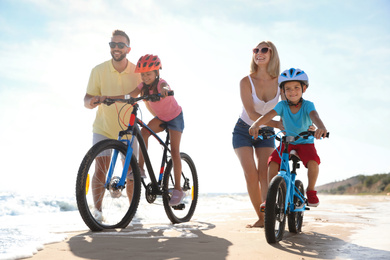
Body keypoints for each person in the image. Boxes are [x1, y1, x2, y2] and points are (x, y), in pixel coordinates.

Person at [84, 30, 142, 218]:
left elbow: (147, 90)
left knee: (132, 173)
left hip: (128, 128)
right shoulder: (98, 70)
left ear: (128, 49)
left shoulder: (137, 71)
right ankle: (98, 212)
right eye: (113, 45)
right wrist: (91, 102)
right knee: (100, 169)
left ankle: (132, 215)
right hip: (103, 127)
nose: (116, 48)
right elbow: (87, 98)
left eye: (120, 45)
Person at [249, 68, 328, 207]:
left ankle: (310, 191)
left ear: (304, 88)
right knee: (272, 161)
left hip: (305, 143)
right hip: (287, 143)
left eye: (296, 87)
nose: (292, 92)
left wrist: (321, 127)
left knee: (313, 162)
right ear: (283, 91)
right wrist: (256, 124)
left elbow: (315, 116)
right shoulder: (282, 105)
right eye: (288, 89)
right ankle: (271, 196)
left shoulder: (308, 105)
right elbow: (268, 115)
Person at [232, 41, 283, 228]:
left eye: (263, 50)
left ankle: (268, 214)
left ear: (272, 54)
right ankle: (261, 218)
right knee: (251, 174)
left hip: (266, 132)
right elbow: (252, 114)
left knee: (266, 174)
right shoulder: (246, 81)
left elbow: (288, 109)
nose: (258, 53)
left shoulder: (281, 82)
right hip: (243, 131)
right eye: (255, 50)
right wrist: (277, 123)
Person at [129, 54, 185, 206]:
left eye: (148, 74)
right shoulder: (143, 86)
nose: (145, 77)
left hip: (175, 118)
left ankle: (178, 189)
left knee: (174, 151)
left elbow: (164, 86)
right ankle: (140, 169)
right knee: (143, 133)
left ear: (156, 73)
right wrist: (124, 98)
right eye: (143, 74)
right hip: (161, 118)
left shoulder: (161, 83)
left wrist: (165, 90)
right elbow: (132, 93)